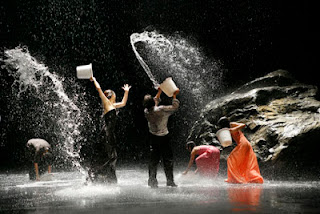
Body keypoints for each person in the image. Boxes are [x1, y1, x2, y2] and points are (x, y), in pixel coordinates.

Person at [88, 76, 131, 183]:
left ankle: (107, 178)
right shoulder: (107, 104)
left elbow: (123, 103)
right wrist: (94, 79)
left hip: (110, 133)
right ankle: (103, 177)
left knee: (111, 156)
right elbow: (99, 90)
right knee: (109, 156)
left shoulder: (113, 105)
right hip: (106, 133)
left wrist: (126, 92)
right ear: (111, 96)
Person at [143, 87, 180, 188]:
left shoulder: (146, 111)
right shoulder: (162, 109)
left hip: (153, 138)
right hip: (164, 137)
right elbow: (175, 106)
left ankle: (152, 182)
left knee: (153, 161)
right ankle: (170, 181)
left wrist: (159, 91)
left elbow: (153, 103)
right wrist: (174, 95)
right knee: (167, 160)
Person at [218, 117, 264, 184]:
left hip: (243, 143)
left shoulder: (232, 124)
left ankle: (234, 178)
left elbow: (243, 125)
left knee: (231, 159)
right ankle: (240, 177)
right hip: (243, 143)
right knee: (244, 162)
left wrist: (234, 129)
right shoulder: (226, 129)